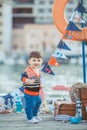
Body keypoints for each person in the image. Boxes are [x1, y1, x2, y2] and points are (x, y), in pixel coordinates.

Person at [21, 51, 43, 124]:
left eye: (38, 60)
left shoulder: (39, 71)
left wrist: (40, 85)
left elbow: (39, 79)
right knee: (30, 105)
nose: (36, 62)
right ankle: (30, 118)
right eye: (34, 60)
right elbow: (22, 78)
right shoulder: (27, 71)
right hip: (29, 93)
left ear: (41, 61)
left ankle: (35, 115)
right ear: (29, 61)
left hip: (36, 93)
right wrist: (27, 80)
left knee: (38, 103)